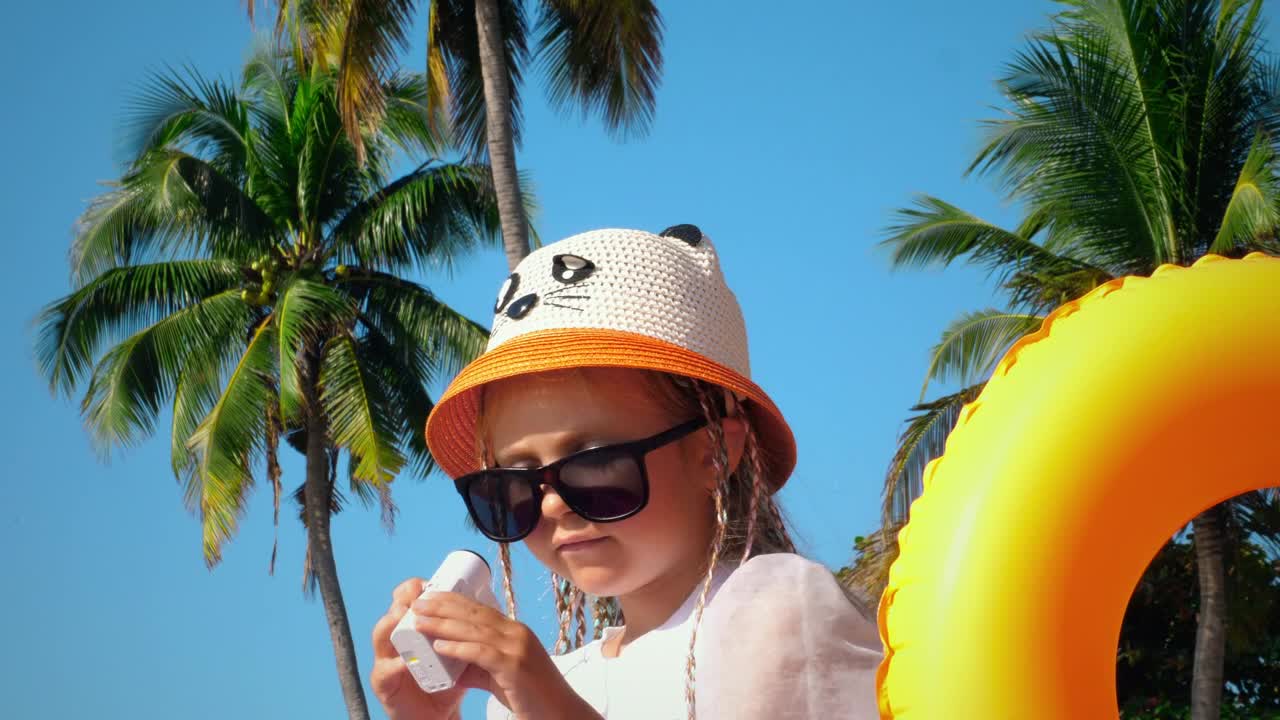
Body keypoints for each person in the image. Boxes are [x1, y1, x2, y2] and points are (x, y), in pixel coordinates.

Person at [370, 226, 882, 719]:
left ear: (714, 455)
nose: (551, 503)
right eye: (515, 482)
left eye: (596, 461)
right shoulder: (542, 683)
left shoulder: (777, 611)